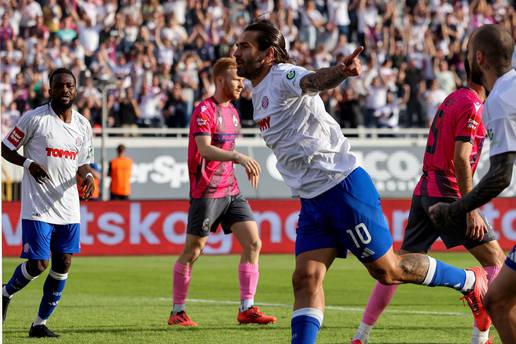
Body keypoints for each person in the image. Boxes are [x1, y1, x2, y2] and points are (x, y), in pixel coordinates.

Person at [233, 20, 491, 344]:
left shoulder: (282, 75)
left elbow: (313, 80)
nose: (237, 52)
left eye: (245, 46)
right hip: (312, 199)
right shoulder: (259, 92)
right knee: (305, 278)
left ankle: (470, 281)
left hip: (342, 187)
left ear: (268, 54)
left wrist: (340, 72)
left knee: (389, 270)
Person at [352, 57, 506, 344]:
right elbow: (460, 158)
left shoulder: (453, 98)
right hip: (449, 192)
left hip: (425, 188)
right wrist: (469, 205)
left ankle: (361, 335)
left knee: (397, 267)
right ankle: (483, 336)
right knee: (495, 259)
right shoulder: (473, 105)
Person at [168, 57, 276, 327]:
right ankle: (177, 312)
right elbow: (204, 149)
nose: (241, 83)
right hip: (206, 191)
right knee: (194, 250)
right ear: (220, 80)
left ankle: (246, 308)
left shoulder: (235, 112)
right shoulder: (204, 110)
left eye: (242, 79)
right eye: (236, 78)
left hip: (231, 190)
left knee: (254, 242)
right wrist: (239, 157)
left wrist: (236, 162)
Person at [430, 24, 516, 344]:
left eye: (467, 54)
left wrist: (457, 208)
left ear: (478, 58)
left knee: (498, 300)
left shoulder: (499, 99)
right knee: (496, 299)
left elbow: (500, 175)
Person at [1, 68, 95, 337]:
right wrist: (27, 163)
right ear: (50, 90)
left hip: (69, 207)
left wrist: (87, 175)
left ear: (75, 90)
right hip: (38, 206)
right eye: (60, 86)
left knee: (63, 263)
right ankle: (5, 293)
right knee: (39, 264)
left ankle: (39, 324)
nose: (65, 90)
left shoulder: (83, 125)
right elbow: (5, 148)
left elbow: (83, 164)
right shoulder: (34, 119)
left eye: (70, 86)